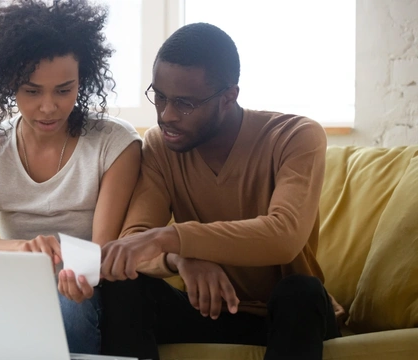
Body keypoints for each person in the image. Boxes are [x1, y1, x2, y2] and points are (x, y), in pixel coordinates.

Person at [58, 22, 345, 360]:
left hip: (286, 317)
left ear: (228, 97)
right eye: (160, 97)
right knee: (124, 286)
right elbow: (135, 238)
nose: (166, 115)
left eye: (185, 104)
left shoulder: (295, 136)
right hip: (210, 313)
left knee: (302, 291)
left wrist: (172, 239)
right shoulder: (159, 146)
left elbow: (284, 236)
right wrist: (181, 258)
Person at [0, 0, 141, 355]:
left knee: (67, 302)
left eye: (64, 89)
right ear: (8, 83)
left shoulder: (116, 144)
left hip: (83, 287)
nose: (49, 107)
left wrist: (74, 276)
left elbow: (100, 249)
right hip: (13, 282)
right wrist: (25, 249)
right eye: (32, 91)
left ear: (82, 79)